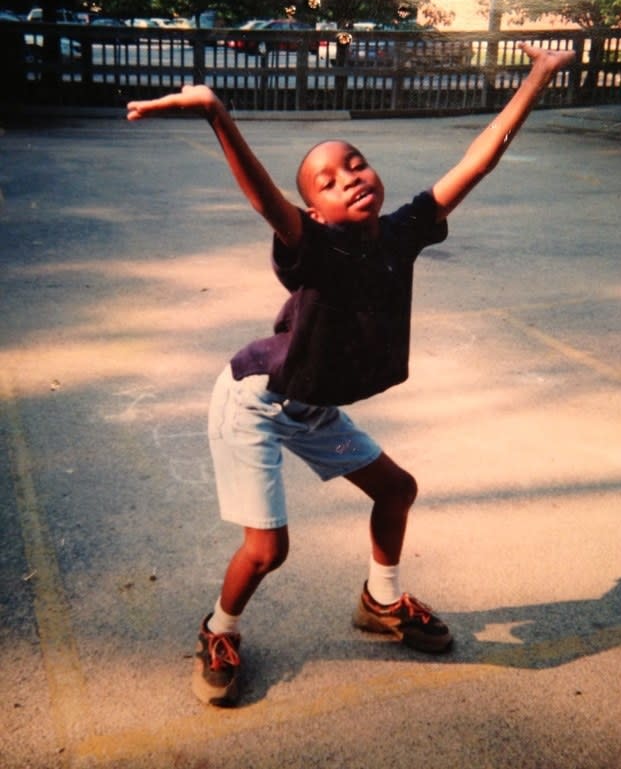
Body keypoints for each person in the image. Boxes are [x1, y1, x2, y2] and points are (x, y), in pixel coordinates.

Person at [127, 42, 575, 706]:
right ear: (314, 212)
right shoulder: (312, 248)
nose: (350, 178)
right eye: (328, 182)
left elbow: (477, 158)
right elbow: (265, 202)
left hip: (313, 403)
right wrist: (219, 115)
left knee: (396, 490)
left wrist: (537, 76)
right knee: (267, 548)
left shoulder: (402, 232)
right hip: (257, 399)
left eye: (356, 164)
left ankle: (380, 601)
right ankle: (219, 628)